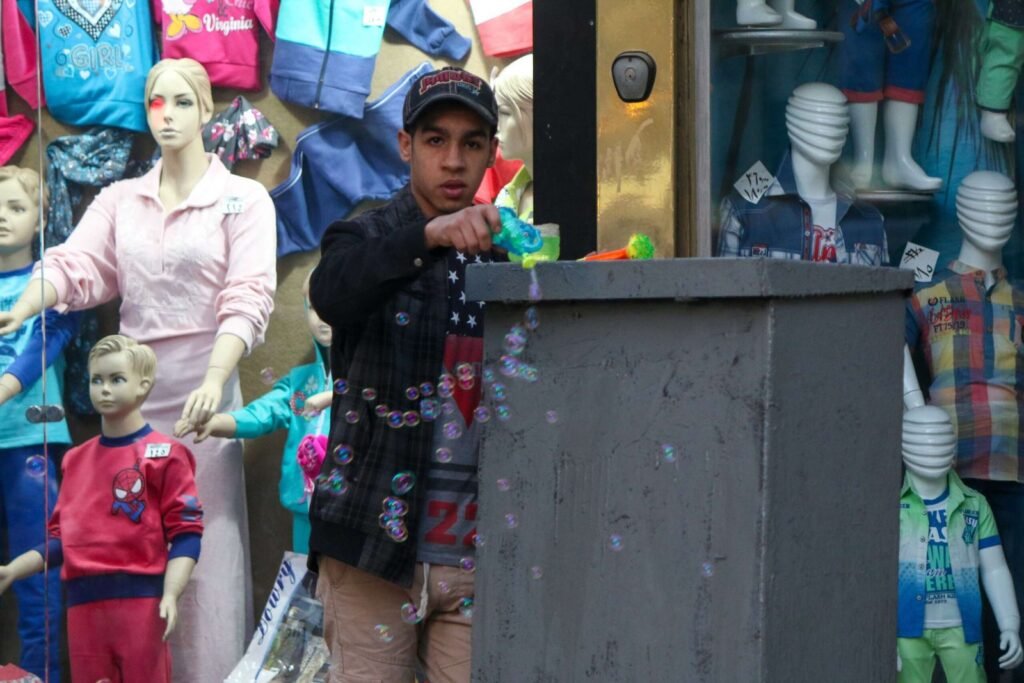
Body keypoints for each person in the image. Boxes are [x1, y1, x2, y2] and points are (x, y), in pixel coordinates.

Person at [0, 58, 276, 682]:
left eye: (183, 102)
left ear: (208, 109)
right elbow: (75, 266)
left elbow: (250, 294)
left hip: (206, 400)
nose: (169, 115)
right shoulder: (121, 199)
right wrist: (20, 306)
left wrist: (214, 378)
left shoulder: (243, 198)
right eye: (157, 103)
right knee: (126, 550)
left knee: (201, 557)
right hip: (130, 401)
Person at [307, 65, 500, 683]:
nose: (454, 160)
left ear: (491, 153)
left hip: (474, 548)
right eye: (436, 140)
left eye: (472, 143)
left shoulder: (505, 255)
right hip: (371, 542)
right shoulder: (365, 233)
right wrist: (428, 236)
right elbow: (331, 293)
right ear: (405, 146)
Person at [0, 334, 204, 683]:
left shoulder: (165, 454)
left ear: (144, 385)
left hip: (142, 603)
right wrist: (13, 570)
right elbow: (62, 541)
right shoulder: (76, 460)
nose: (104, 389)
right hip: (83, 608)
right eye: (97, 380)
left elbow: (186, 532)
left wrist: (171, 592)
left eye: (116, 379)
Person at [904, 170, 1024, 681]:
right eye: (983, 205)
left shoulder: (1020, 298)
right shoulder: (927, 292)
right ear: (960, 210)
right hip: (943, 470)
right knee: (942, 603)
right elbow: (894, 360)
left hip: (1011, 472)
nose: (995, 217)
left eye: (1006, 206)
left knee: (1009, 595)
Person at [180, 270, 332, 554]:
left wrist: (335, 395)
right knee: (307, 584)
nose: (321, 318)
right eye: (312, 307)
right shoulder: (302, 383)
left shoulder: (366, 381)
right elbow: (265, 411)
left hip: (351, 508)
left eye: (332, 306)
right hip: (304, 505)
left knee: (346, 590)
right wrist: (217, 422)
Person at [0, 165, 77, 680]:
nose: (2, 219)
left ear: (41, 216)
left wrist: (5, 386)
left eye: (15, 208)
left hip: (31, 440)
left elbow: (47, 340)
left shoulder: (54, 278)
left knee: (37, 576)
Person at [898, 406, 1023, 682]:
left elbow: (995, 569)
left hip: (961, 624)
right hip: (906, 626)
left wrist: (1010, 624)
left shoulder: (975, 505)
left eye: (940, 439)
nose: (932, 447)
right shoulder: (895, 507)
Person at [718, 82, 889, 265]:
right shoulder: (742, 211)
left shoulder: (870, 221)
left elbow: (885, 292)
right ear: (792, 122)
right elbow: (727, 287)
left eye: (836, 119)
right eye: (815, 118)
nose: (827, 129)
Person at [491, 54, 559, 266]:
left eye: (505, 113)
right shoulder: (507, 198)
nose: (496, 125)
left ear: (541, 115)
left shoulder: (575, 194)